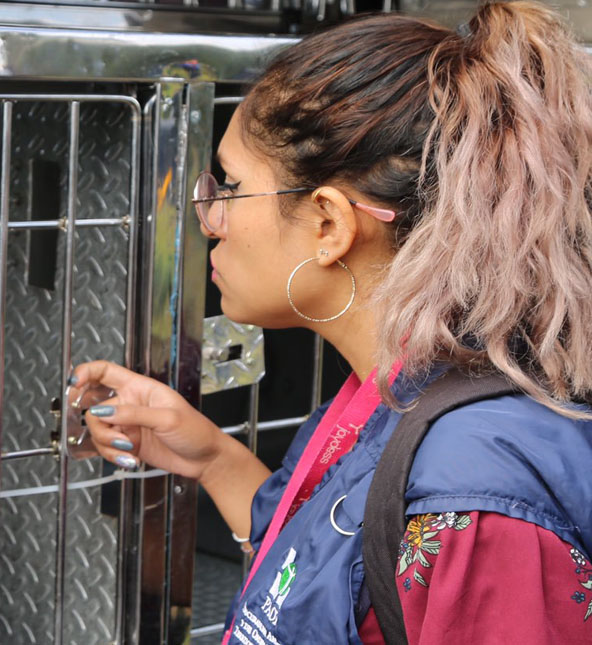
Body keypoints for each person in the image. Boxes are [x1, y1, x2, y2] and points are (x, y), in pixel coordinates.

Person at [68, 2, 592, 643]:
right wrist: (214, 460)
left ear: (329, 224)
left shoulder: (475, 495)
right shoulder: (392, 388)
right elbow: (327, 572)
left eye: (231, 186)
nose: (211, 218)